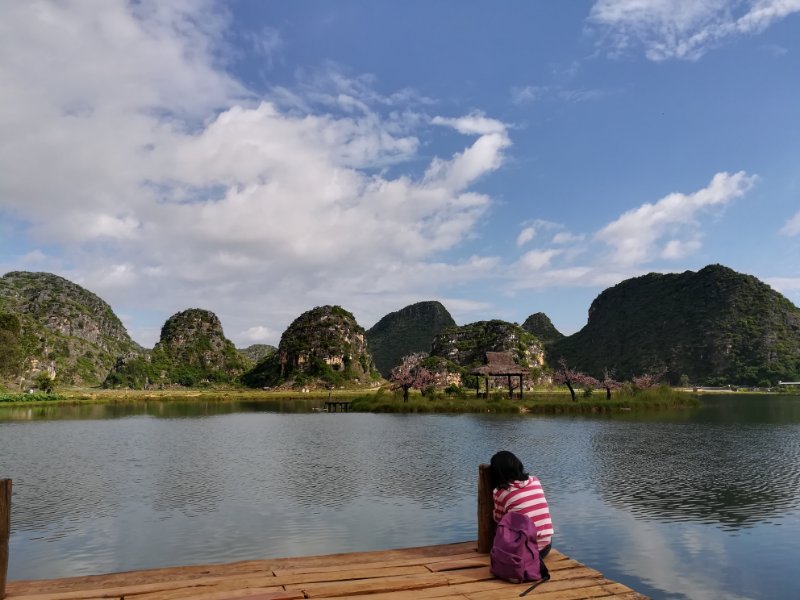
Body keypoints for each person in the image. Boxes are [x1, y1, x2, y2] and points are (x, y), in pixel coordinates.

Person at [489, 450, 553, 558]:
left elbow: (499, 520)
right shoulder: (535, 480)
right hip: (545, 548)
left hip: (522, 554)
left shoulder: (500, 492)